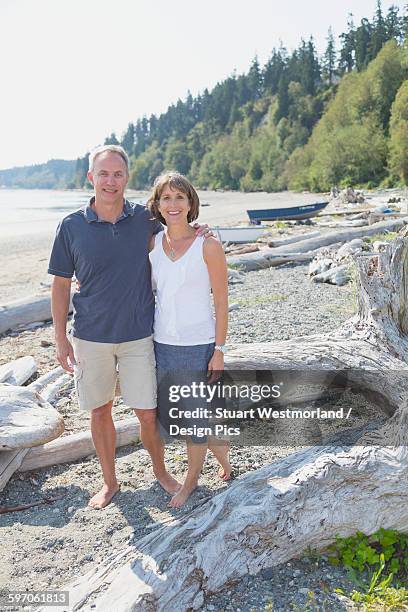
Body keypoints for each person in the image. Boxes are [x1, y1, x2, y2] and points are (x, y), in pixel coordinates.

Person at [48, 145, 208, 509]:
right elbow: (60, 285)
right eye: (103, 174)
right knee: (100, 410)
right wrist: (60, 339)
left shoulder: (144, 219)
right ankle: (109, 483)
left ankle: (161, 473)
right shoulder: (70, 226)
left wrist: (201, 230)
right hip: (91, 337)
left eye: (117, 174)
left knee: (147, 413)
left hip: (139, 336)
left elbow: (177, 221)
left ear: (127, 178)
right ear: (91, 177)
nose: (110, 181)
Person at [148, 171, 231, 508]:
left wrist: (219, 349)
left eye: (179, 197)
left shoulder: (208, 244)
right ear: (156, 204)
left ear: (190, 203)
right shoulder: (151, 243)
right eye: (165, 197)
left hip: (198, 345)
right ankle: (223, 453)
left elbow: (222, 300)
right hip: (161, 343)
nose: (173, 204)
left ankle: (191, 481)